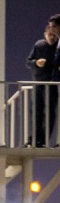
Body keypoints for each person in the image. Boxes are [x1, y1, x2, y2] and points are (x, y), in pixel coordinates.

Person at [27, 15, 60, 147]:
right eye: (49, 33)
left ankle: (44, 140)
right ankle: (35, 139)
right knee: (36, 112)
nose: (52, 36)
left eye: (54, 33)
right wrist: (36, 63)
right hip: (38, 83)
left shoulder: (57, 46)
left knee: (49, 113)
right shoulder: (39, 45)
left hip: (51, 85)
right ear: (45, 34)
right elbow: (28, 61)